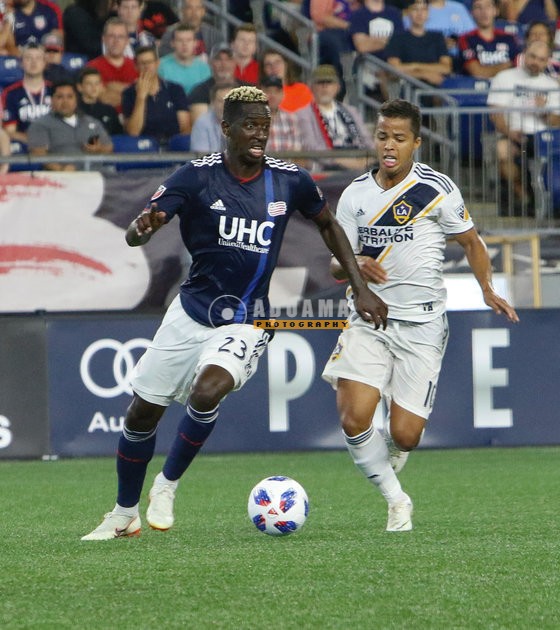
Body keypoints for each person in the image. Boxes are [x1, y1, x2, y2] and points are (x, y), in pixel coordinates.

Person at [81, 85, 387, 541]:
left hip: (248, 318)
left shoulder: (289, 180)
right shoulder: (195, 176)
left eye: (265, 126)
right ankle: (124, 514)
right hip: (190, 312)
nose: (260, 134)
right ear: (226, 128)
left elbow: (328, 224)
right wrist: (142, 229)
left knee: (208, 391)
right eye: (250, 126)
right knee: (141, 416)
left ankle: (167, 485)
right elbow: (137, 231)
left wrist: (359, 287)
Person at [322, 98, 519, 533]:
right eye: (382, 136)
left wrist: (488, 288)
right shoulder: (355, 194)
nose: (388, 145)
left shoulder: (437, 188)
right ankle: (396, 500)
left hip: (424, 325)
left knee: (406, 435)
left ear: (416, 143)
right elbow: (336, 263)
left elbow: (471, 242)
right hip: (370, 320)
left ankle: (398, 446)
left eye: (398, 138)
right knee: (354, 418)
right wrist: (355, 263)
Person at [487, 39, 560, 212]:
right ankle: (525, 196)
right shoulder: (504, 77)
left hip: (544, 139)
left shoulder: (552, 85)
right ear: (525, 55)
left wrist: (544, 111)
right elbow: (495, 114)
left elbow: (557, 122)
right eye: (533, 57)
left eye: (541, 59)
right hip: (514, 135)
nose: (536, 62)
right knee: (502, 151)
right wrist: (509, 132)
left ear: (547, 62)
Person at [297, 64, 374, 171]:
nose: (325, 86)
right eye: (320, 82)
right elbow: (312, 147)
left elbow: (367, 140)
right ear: (311, 87)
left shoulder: (351, 111)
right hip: (328, 167)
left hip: (359, 158)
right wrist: (344, 162)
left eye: (329, 82)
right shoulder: (303, 114)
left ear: (337, 87)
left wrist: (369, 158)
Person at [27, 80, 113, 170]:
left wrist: (98, 149)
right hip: (60, 175)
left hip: (95, 173)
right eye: (60, 97)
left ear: (76, 100)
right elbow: (39, 154)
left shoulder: (91, 122)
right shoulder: (40, 124)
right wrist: (61, 169)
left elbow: (108, 147)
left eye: (70, 97)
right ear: (52, 100)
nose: (65, 102)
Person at [122, 46, 190, 145]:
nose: (147, 66)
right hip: (143, 147)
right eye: (142, 63)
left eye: (150, 62)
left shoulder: (175, 89)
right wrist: (141, 97)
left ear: (157, 63)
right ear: (136, 66)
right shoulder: (128, 93)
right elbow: (133, 132)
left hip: (172, 145)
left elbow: (184, 127)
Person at [386, 0, 451, 86]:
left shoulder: (437, 37)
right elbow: (394, 69)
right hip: (406, 87)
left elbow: (446, 68)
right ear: (408, 12)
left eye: (424, 9)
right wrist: (423, 74)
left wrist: (414, 66)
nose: (419, 14)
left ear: (428, 12)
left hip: (434, 87)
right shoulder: (397, 38)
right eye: (415, 9)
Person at [1, 42, 52, 144]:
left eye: (38, 58)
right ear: (21, 63)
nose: (33, 62)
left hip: (54, 144)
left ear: (45, 63)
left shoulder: (55, 90)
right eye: (28, 58)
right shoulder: (10, 93)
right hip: (24, 145)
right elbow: (10, 131)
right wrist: (33, 141)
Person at [458, 0, 520, 79]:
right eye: (478, 7)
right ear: (472, 13)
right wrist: (505, 66)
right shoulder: (466, 39)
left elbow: (519, 66)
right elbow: (477, 72)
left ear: (496, 11)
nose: (484, 12)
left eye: (488, 6)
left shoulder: (509, 38)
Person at [87, 17, 139, 111]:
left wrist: (111, 87)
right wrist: (133, 93)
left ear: (127, 40)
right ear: (104, 39)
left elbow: (147, 96)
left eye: (120, 37)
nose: (116, 41)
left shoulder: (138, 65)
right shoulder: (92, 67)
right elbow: (103, 98)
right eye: (111, 36)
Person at [188, 43, 245, 125]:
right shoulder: (199, 92)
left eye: (228, 59)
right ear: (210, 63)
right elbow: (200, 125)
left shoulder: (249, 90)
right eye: (218, 59)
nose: (223, 64)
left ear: (235, 62)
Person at [157, 23, 212, 96]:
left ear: (195, 43)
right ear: (172, 43)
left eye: (188, 40)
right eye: (180, 40)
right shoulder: (160, 66)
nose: (184, 44)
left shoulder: (204, 68)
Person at [259, 48, 313, 113]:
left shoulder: (301, 90)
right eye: (268, 64)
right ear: (263, 69)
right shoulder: (259, 93)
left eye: (277, 62)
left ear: (286, 65)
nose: (273, 67)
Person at [76, 66, 123, 135]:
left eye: (97, 83)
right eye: (89, 84)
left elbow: (119, 136)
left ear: (101, 86)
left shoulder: (109, 110)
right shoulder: (72, 111)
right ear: (80, 87)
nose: (94, 87)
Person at [189, 82, 233, 152]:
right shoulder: (202, 123)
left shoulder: (244, 122)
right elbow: (202, 156)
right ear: (212, 103)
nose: (224, 105)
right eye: (220, 101)